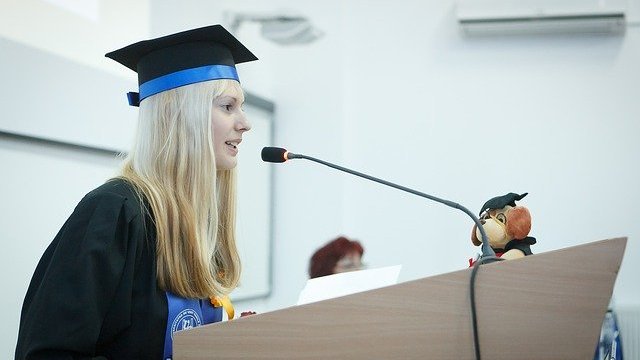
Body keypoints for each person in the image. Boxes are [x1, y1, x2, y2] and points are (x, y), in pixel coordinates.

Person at [15, 24, 257, 360]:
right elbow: (46, 353)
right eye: (228, 106)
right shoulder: (114, 213)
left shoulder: (197, 221)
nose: (245, 123)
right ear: (181, 116)